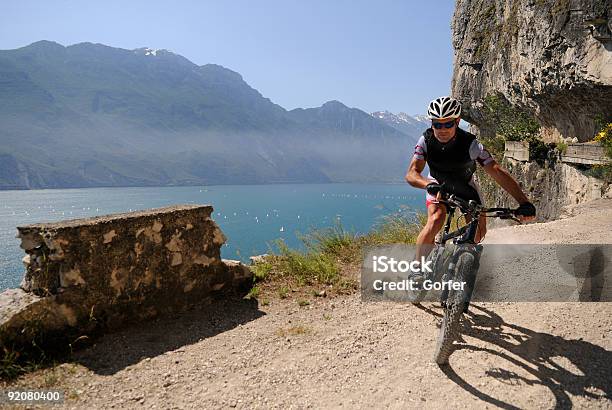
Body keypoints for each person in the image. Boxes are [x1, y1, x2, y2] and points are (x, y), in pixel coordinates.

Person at [405, 96, 536, 269]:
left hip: (464, 186)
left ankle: (461, 263)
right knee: (436, 218)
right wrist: (428, 185)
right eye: (437, 124)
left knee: (479, 230)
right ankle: (417, 269)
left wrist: (523, 202)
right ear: (431, 123)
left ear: (457, 121)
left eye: (448, 124)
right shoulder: (426, 141)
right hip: (437, 184)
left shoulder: (471, 144)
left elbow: (495, 170)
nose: (442, 129)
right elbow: (412, 174)